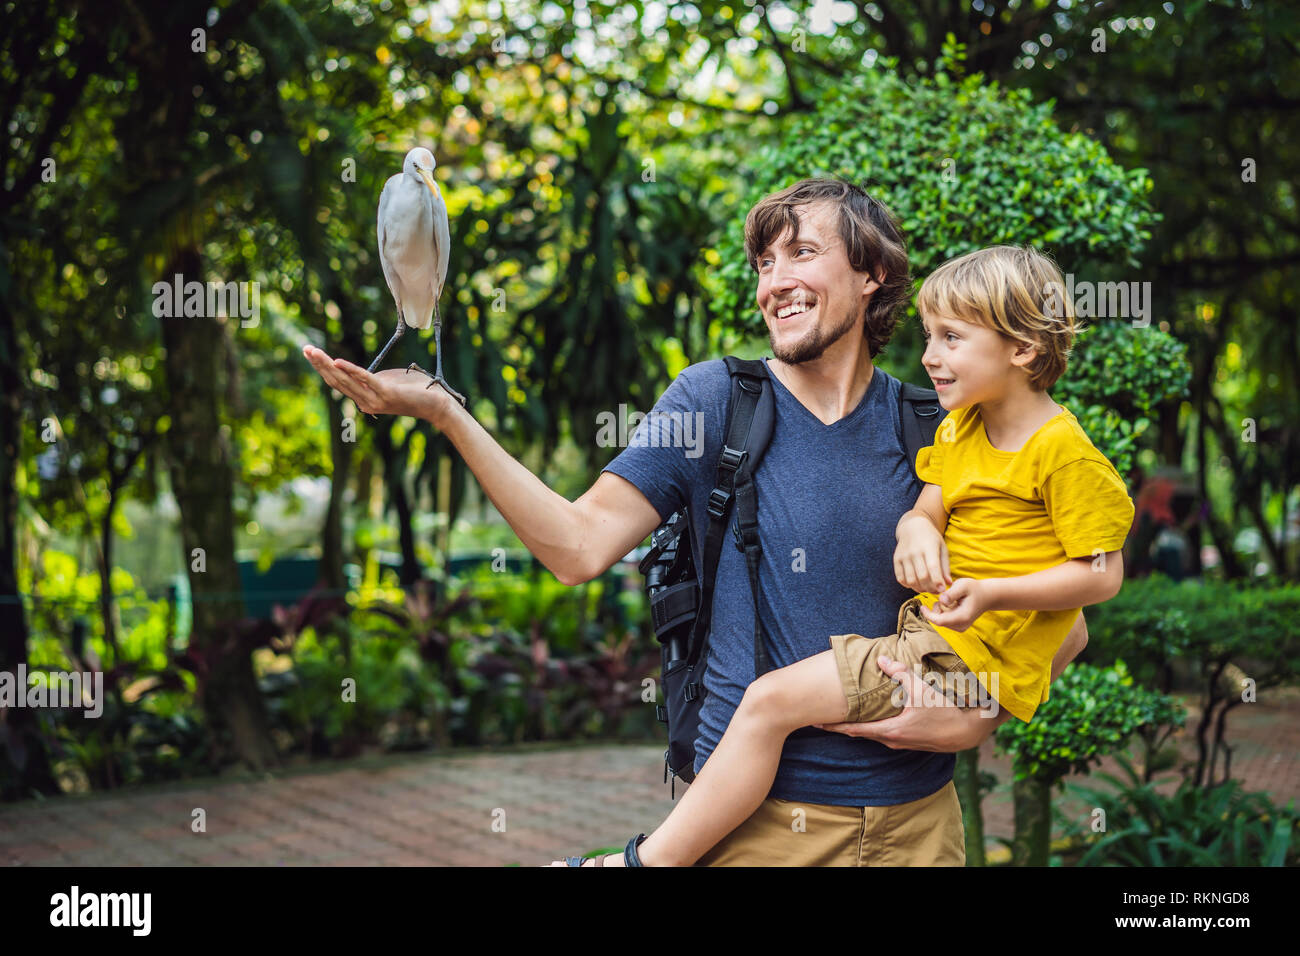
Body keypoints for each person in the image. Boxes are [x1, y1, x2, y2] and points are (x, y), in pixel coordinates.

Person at [303, 179, 1094, 866]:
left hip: (919, 833)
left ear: (872, 274)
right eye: (763, 263)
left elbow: (1064, 627)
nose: (774, 281)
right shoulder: (716, 403)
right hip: (751, 832)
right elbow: (578, 549)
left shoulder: (939, 424)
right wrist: (448, 415)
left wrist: (975, 714)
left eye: (801, 254)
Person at [547, 243, 1134, 866]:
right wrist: (915, 529)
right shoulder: (961, 428)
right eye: (930, 337)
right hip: (797, 799)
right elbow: (580, 546)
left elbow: (1093, 590)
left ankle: (643, 863)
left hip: (930, 738)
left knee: (771, 701)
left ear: (1022, 349)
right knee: (769, 706)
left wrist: (982, 697)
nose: (931, 356)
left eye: (952, 339)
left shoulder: (1053, 451)